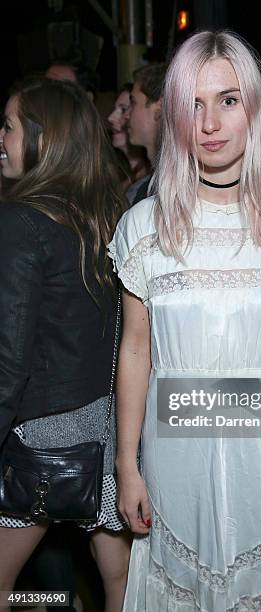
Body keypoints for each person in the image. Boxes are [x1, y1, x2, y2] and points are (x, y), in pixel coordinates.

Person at [109, 30, 261, 610]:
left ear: (254, 109)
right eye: (194, 103)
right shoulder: (145, 229)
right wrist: (126, 465)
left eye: (228, 100)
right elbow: (136, 352)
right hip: (172, 467)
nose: (210, 122)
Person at [0, 77, 130, 612]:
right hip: (107, 428)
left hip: (44, 435)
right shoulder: (106, 217)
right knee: (119, 577)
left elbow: (9, 357)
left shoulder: (21, 221)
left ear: (42, 139)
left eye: (7, 126)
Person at [124, 63, 167, 205]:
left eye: (133, 103)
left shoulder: (167, 189)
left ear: (159, 107)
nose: (126, 114)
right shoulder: (148, 186)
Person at [107, 83, 150, 203]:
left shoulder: (153, 180)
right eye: (115, 109)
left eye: (124, 109)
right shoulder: (109, 169)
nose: (110, 118)